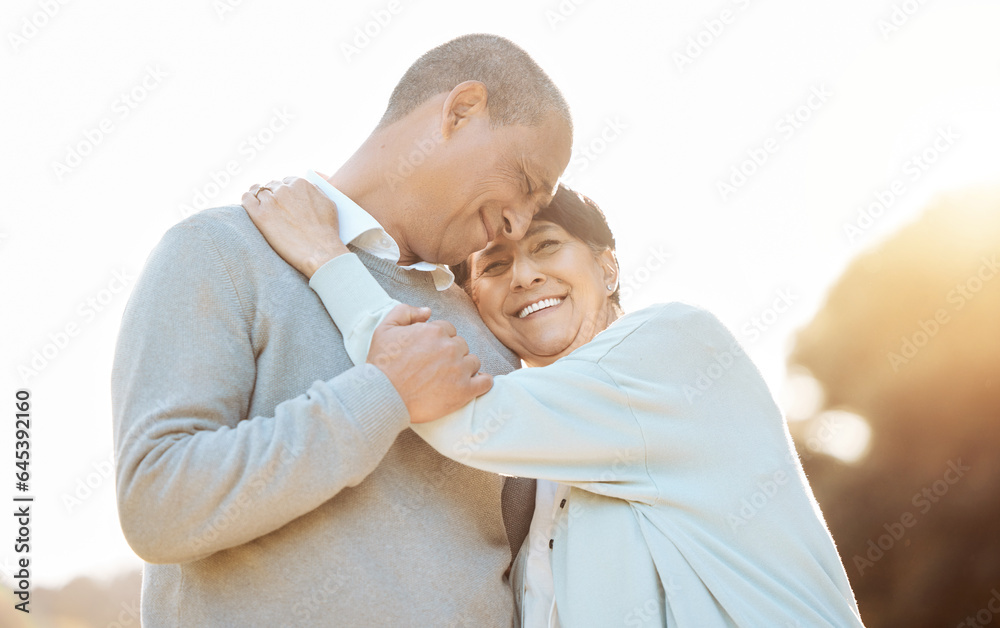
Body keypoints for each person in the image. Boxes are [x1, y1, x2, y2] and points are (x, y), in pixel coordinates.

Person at [242, 181, 867, 627]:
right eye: (494, 265)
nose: (524, 276)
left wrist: (327, 261)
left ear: (609, 266)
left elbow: (459, 414)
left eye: (545, 246)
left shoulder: (674, 345)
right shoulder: (533, 469)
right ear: (474, 303)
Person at [111, 34, 572, 627]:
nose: (517, 221)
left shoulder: (486, 335)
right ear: (460, 110)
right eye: (526, 182)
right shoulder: (222, 252)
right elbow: (157, 505)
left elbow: (520, 572)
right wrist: (383, 394)